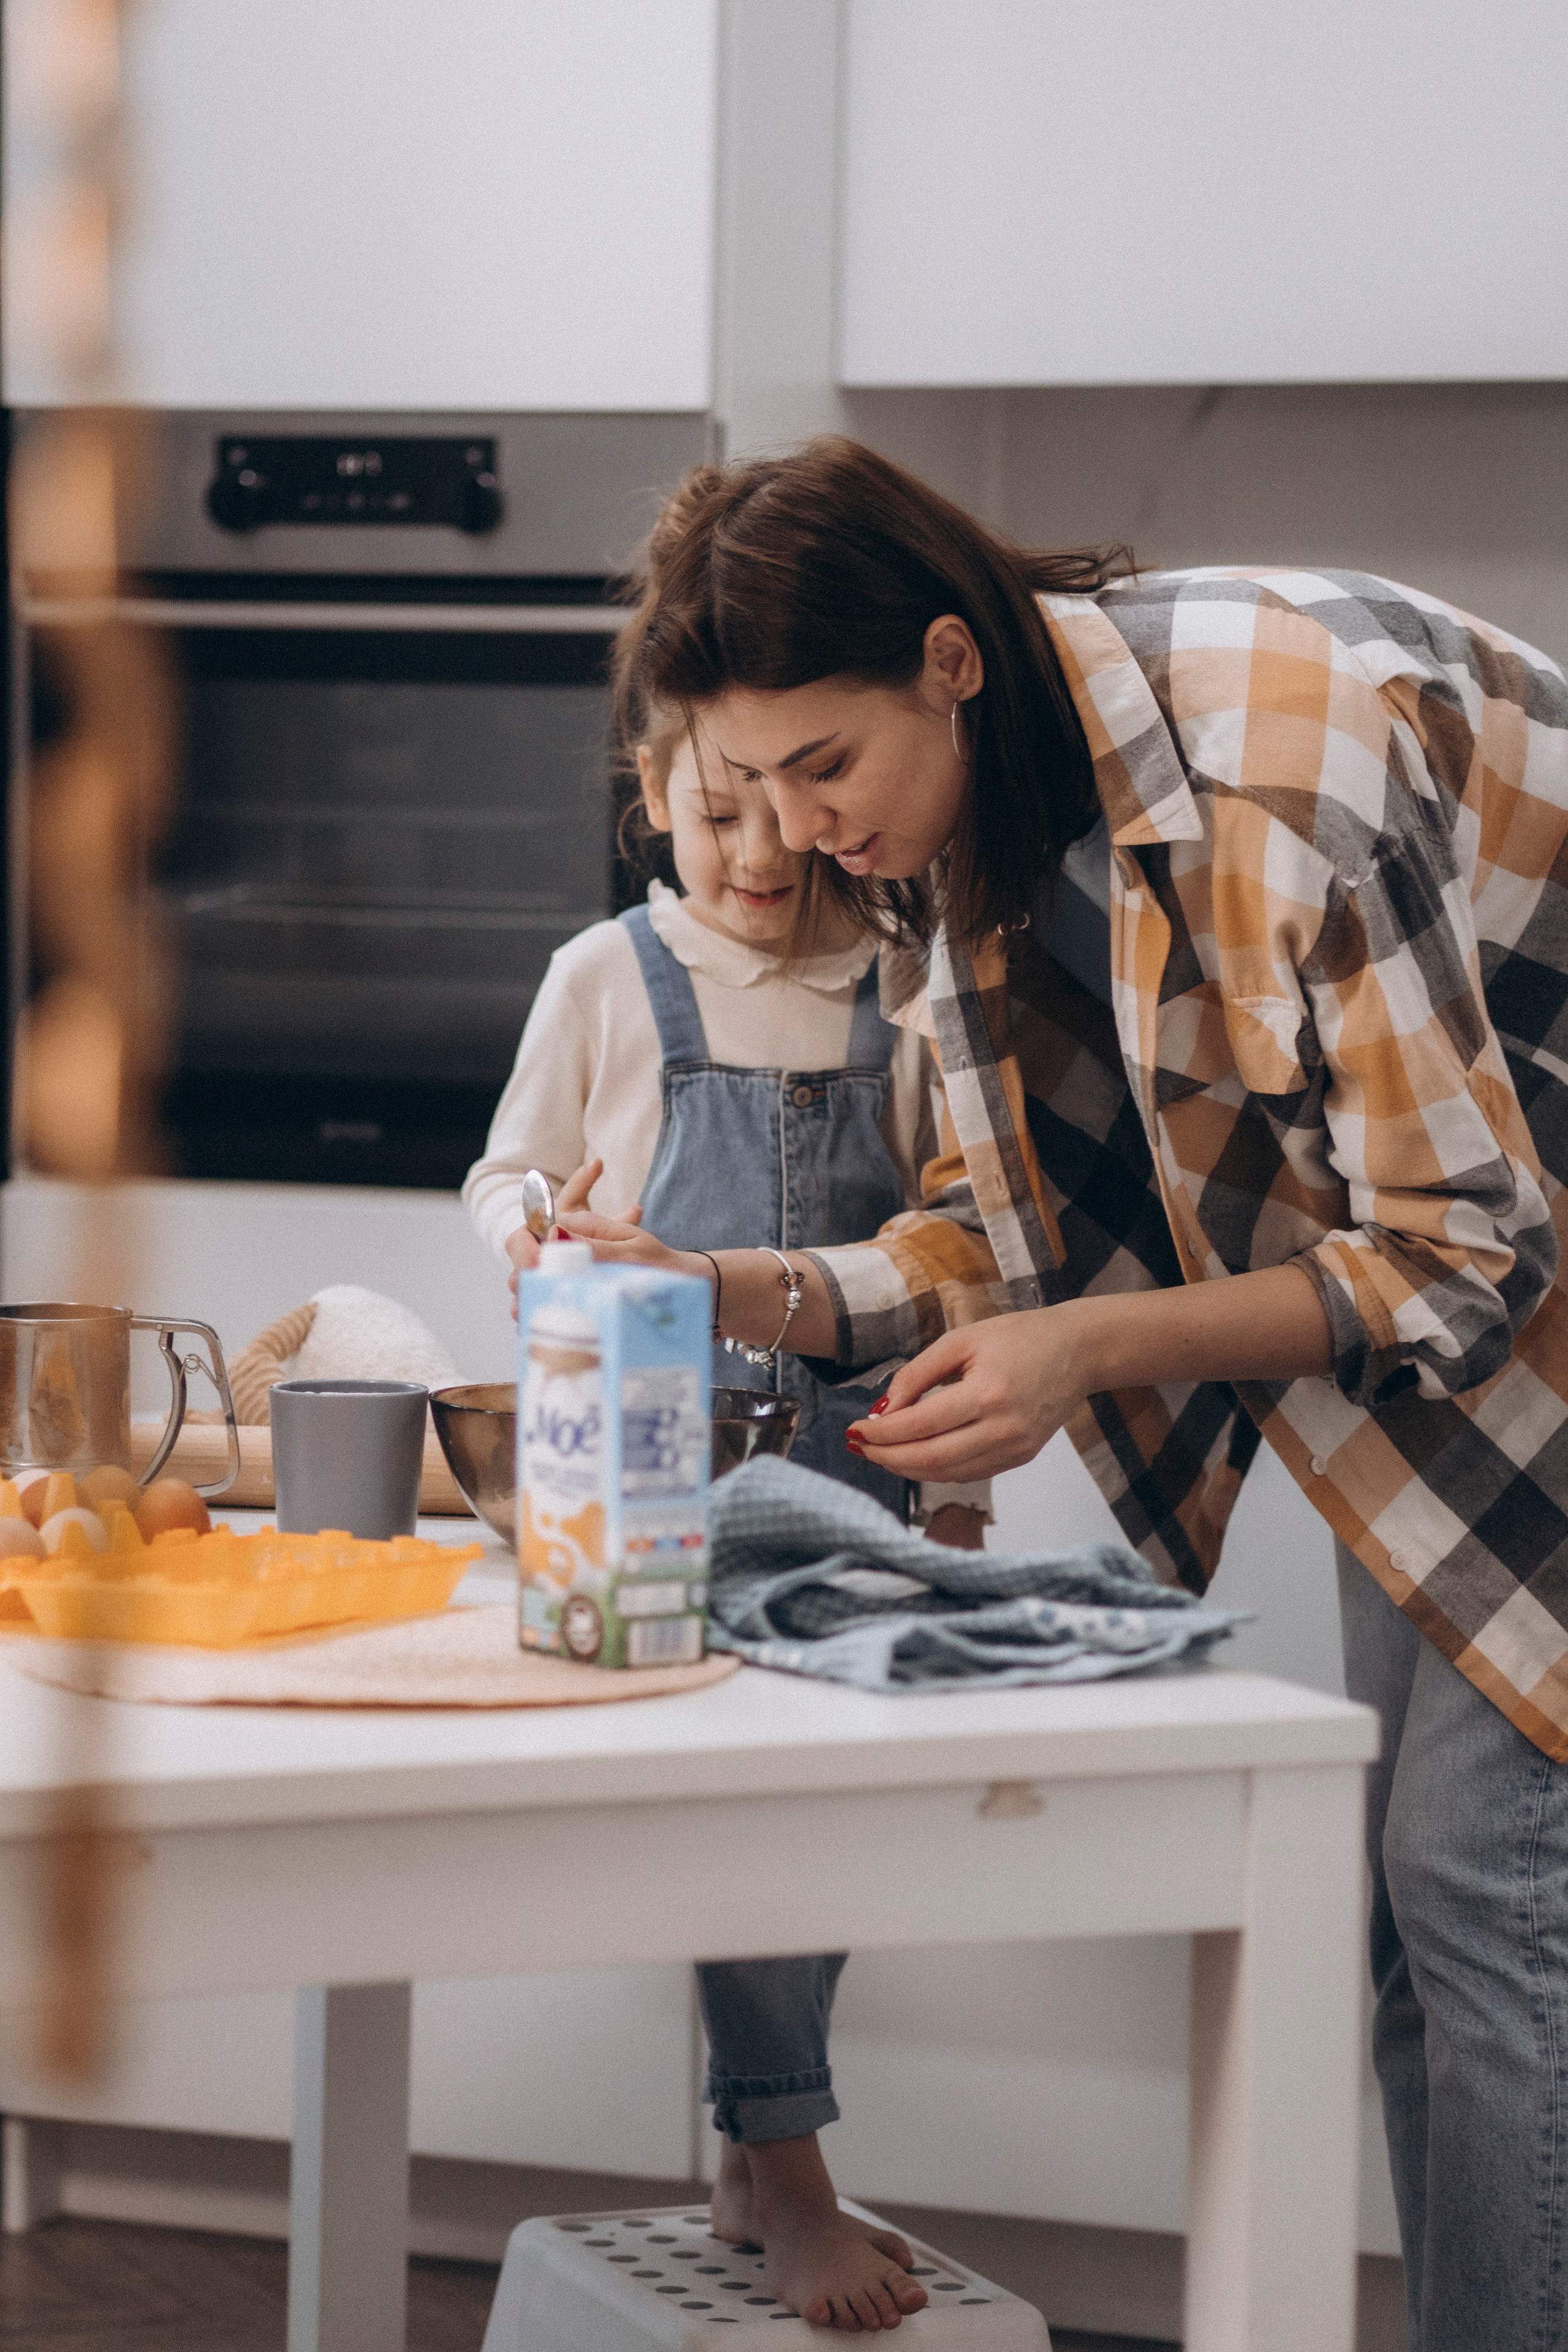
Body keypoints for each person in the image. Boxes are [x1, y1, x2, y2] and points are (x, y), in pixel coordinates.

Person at [524, 436, 1568, 2352]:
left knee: (1488, 1892)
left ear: (948, 659)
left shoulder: (1277, 767)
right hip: (1450, 1287)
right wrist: (727, 1285)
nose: (796, 835)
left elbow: (1462, 1258)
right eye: (749, 787)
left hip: (1503, 1259)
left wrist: (1086, 1348)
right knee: (1426, 1925)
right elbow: (998, 1232)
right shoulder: (972, 814)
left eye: (822, 768)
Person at [466, 703, 990, 2332]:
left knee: (837, 1822)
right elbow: (503, 1172)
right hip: (655, 1466)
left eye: (786, 812)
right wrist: (537, 1228)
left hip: (866, 1465)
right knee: (742, 1817)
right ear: (654, 791)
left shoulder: (902, 979)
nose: (761, 855)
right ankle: (799, 2178)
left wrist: (952, 1489)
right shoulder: (605, 975)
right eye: (715, 815)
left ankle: (753, 2157)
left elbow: (949, 1253)